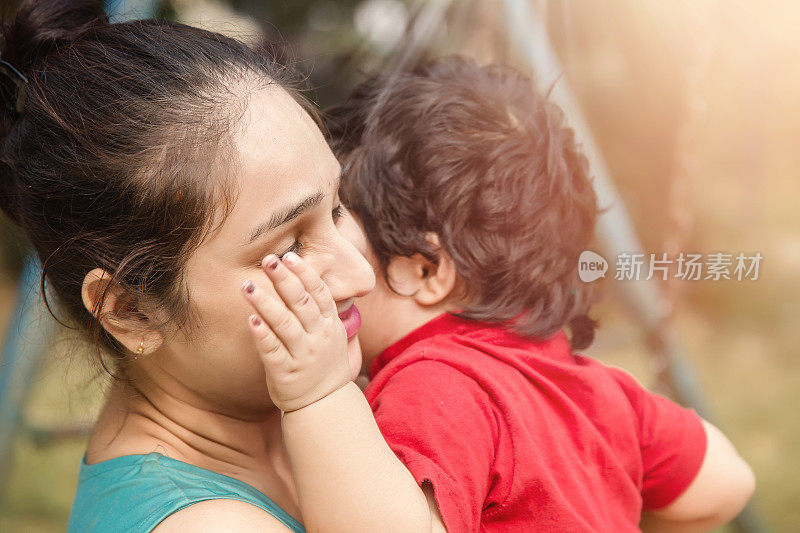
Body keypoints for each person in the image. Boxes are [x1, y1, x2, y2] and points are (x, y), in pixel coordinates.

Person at [241, 56, 756, 532]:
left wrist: (317, 397)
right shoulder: (593, 387)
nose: (336, 265)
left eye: (340, 218)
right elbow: (728, 482)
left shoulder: (435, 384)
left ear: (426, 269)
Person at [0, 1, 375, 531]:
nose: (362, 275)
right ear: (130, 311)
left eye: (335, 208)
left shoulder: (290, 390)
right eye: (289, 249)